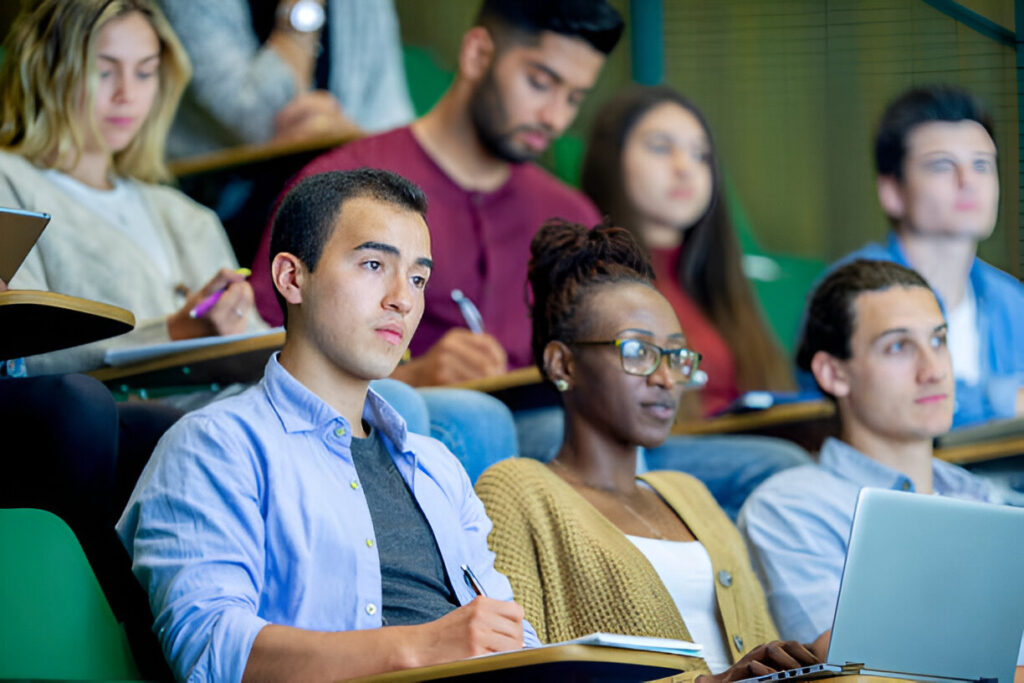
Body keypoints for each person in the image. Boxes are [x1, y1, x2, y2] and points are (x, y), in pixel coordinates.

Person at [118, 169, 537, 682]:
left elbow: (509, 634)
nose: (403, 299)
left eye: (418, 278)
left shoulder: (437, 466)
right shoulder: (214, 446)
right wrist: (419, 647)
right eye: (374, 264)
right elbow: (211, 650)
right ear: (292, 278)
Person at [476, 220, 821, 680]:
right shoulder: (516, 489)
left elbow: (760, 648)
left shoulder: (690, 494)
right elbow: (520, 670)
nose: (665, 379)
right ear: (563, 363)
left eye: (677, 356)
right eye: (637, 352)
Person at [249, 0, 623, 387]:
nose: (555, 117)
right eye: (540, 83)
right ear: (478, 54)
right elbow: (263, 352)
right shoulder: (343, 184)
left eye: (575, 99)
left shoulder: (572, 216)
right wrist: (410, 377)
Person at [738, 259, 1024, 675]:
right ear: (833, 373)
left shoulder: (989, 500)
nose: (934, 370)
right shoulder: (790, 506)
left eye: (939, 340)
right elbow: (852, 671)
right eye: (898, 347)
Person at [0, 0, 263, 376]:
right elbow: (19, 355)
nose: (127, 94)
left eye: (145, 73)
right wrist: (173, 332)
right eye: (103, 71)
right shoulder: (9, 182)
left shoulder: (187, 216)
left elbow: (256, 345)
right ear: (47, 72)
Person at [582, 84, 793, 417]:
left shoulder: (717, 282)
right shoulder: (592, 282)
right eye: (661, 148)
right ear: (611, 159)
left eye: (701, 155)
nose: (685, 167)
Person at [835, 84, 1023, 428]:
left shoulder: (1013, 299)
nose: (968, 181)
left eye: (982, 165)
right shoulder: (853, 291)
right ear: (892, 191)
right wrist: (1005, 399)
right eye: (941, 165)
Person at [159, 0, 413, 159]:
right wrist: (302, 15)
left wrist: (348, 140)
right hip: (224, 205)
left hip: (340, 186)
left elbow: (390, 120)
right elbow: (259, 123)